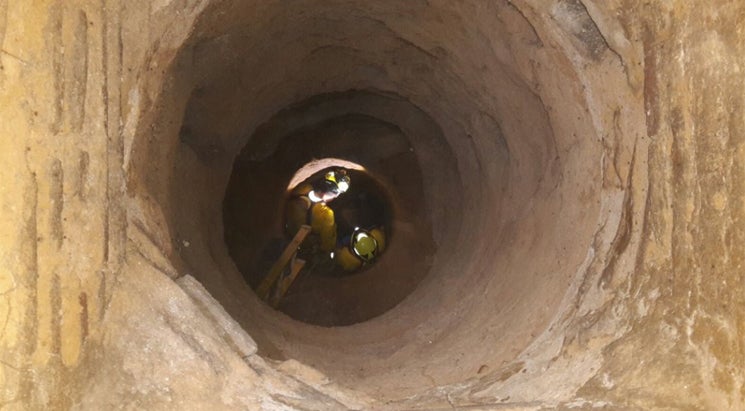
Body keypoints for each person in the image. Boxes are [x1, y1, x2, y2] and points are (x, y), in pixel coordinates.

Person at [285, 169, 350, 253]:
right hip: (301, 246)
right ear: (333, 195)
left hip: (287, 230)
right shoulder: (326, 215)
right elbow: (328, 246)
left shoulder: (303, 188)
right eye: (335, 195)